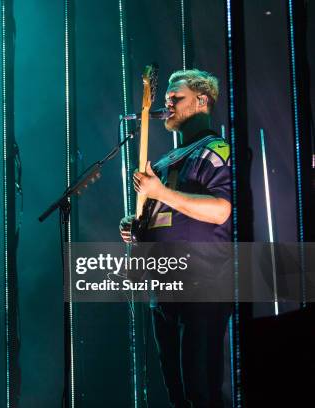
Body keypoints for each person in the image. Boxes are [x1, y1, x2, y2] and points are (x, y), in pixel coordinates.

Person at [119, 69, 232, 407]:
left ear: (202, 100)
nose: (167, 105)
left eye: (175, 99)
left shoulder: (217, 149)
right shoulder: (168, 160)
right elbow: (164, 213)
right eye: (165, 99)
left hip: (203, 284)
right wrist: (137, 225)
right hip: (163, 289)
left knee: (201, 390)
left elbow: (221, 210)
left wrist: (161, 192)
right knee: (177, 395)